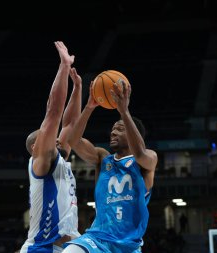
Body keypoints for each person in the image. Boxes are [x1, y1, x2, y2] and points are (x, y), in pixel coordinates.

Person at [62, 80, 158, 253]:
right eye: (113, 129)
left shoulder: (148, 158)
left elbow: (140, 153)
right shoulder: (103, 158)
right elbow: (73, 141)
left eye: (120, 129)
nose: (113, 132)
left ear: (132, 133)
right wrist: (89, 107)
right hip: (98, 238)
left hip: (128, 245)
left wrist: (124, 111)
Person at [20, 41, 82, 253]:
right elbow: (53, 113)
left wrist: (78, 89)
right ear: (36, 146)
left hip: (66, 246)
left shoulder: (57, 158)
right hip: (41, 248)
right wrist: (64, 67)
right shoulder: (40, 162)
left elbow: (71, 124)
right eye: (50, 137)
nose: (57, 139)